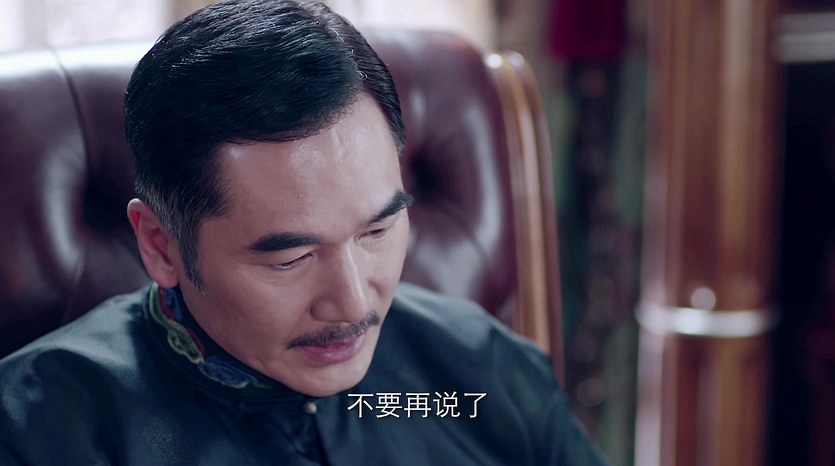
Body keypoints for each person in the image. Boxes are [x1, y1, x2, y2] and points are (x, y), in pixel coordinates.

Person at [0, 1, 608, 464]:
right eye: (290, 259)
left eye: (377, 230)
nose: (354, 304)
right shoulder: (41, 429)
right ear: (160, 245)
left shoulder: (479, 370)